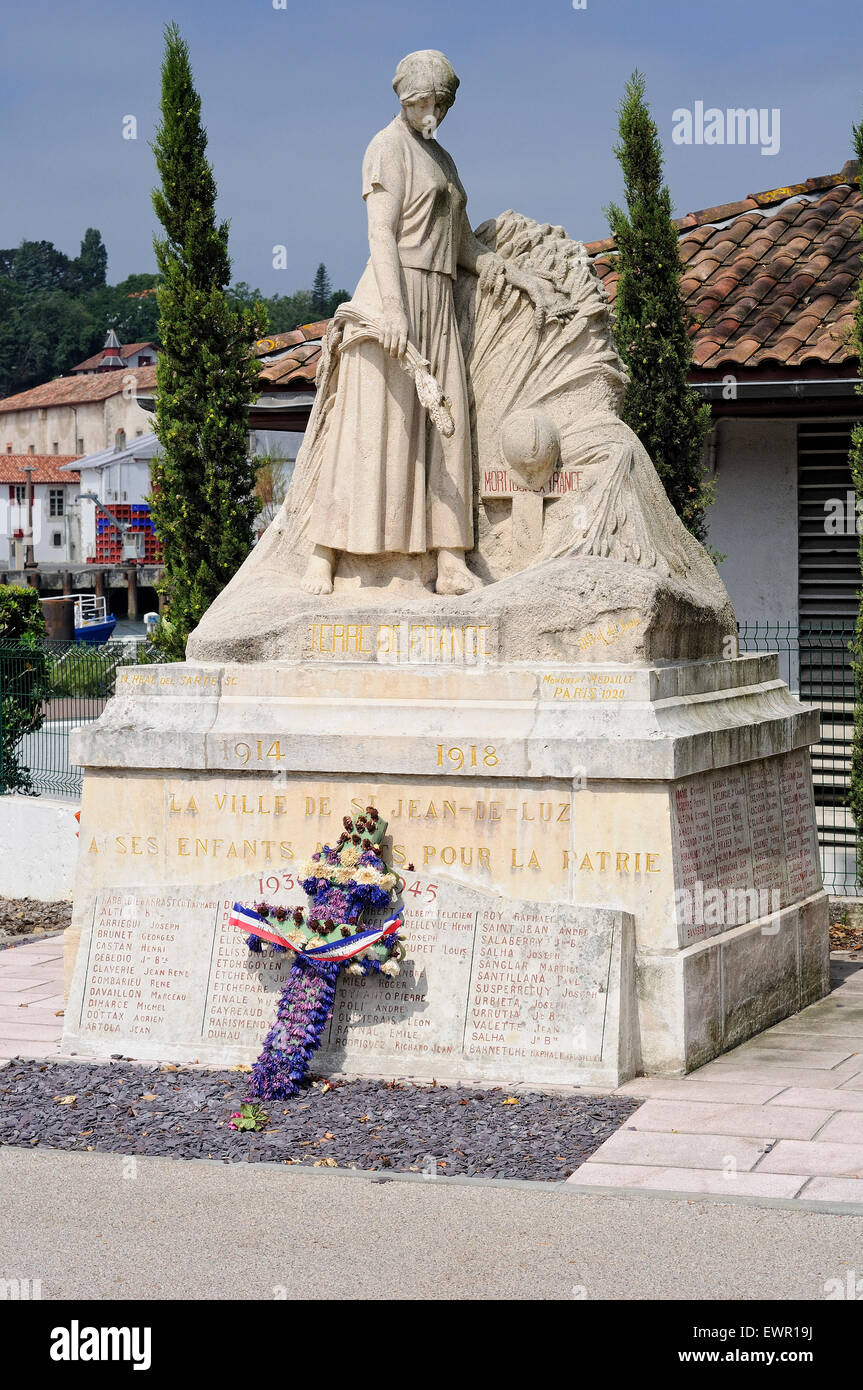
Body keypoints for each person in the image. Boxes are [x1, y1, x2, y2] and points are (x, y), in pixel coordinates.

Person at [301, 49, 558, 596]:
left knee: (449, 429)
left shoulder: (443, 159)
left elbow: (462, 242)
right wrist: (393, 310)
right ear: (407, 97)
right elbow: (380, 233)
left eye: (443, 102)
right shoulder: (386, 148)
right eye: (427, 100)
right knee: (370, 428)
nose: (435, 110)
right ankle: (324, 553)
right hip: (390, 298)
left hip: (438, 300)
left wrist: (514, 275)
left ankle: (448, 558)